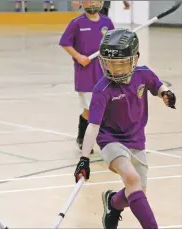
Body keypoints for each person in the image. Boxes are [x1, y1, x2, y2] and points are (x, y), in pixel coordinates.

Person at [74, 28, 176, 229]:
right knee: (132, 178)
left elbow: (157, 85)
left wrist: (166, 93)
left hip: (137, 139)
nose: (114, 69)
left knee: (136, 193)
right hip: (111, 139)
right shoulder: (102, 89)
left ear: (135, 59)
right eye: (109, 63)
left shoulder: (143, 74)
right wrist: (84, 159)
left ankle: (112, 202)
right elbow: (93, 125)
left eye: (120, 63)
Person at [59, 0, 114, 154]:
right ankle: (83, 138)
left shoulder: (107, 22)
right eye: (88, 1)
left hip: (104, 73)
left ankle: (107, 141)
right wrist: (78, 56)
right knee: (90, 110)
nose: (92, 4)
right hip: (86, 74)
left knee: (106, 108)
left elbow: (113, 42)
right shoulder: (77, 23)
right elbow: (65, 42)